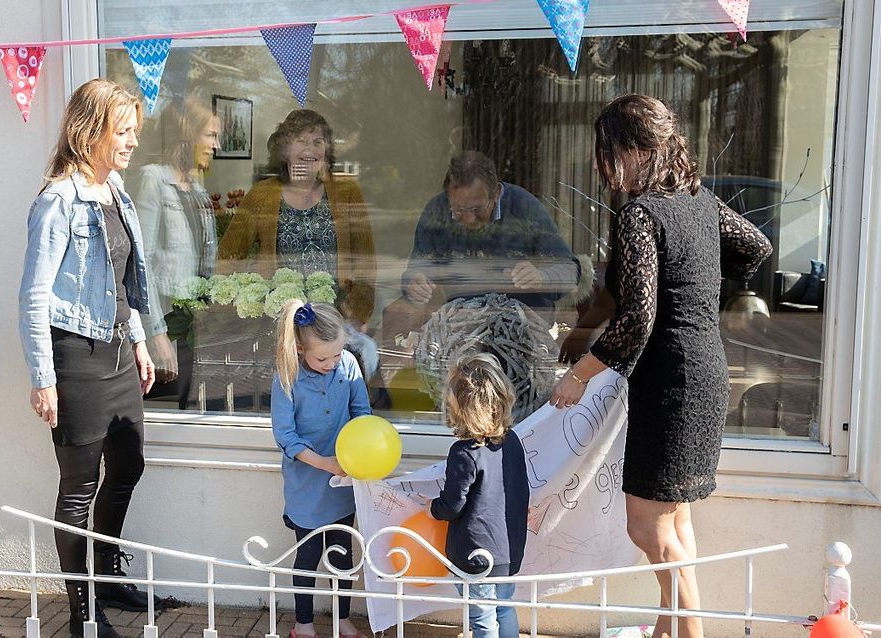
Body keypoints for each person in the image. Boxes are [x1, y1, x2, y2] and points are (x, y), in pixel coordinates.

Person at [548, 94, 772, 638]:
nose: (607, 168)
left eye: (609, 154)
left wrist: (577, 376)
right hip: (705, 370)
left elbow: (638, 320)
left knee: (647, 528)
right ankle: (665, 629)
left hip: (671, 381)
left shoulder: (640, 215)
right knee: (677, 522)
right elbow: (757, 247)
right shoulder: (699, 201)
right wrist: (703, 281)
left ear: (633, 149)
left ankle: (690, 633)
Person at [18, 78, 159, 638]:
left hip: (119, 349)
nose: (130, 142)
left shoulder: (116, 191)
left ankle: (105, 575)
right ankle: (82, 612)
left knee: (129, 465)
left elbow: (121, 282)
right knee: (79, 486)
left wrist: (142, 340)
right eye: (122, 131)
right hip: (75, 356)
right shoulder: (56, 201)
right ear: (90, 131)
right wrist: (43, 377)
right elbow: (34, 295)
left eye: (133, 132)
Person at [217, 109, 378, 375]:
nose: (311, 148)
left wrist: (357, 315)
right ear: (284, 149)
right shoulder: (262, 195)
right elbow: (228, 257)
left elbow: (366, 261)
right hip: (282, 323)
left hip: (335, 321)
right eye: (301, 140)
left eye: (318, 141)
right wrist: (249, 302)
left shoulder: (346, 191)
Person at [270, 300, 371, 638]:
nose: (331, 364)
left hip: (344, 481)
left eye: (337, 355)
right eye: (322, 358)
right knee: (309, 556)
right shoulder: (287, 376)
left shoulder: (349, 366)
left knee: (343, 554)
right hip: (307, 483)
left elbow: (363, 413)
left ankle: (341, 618)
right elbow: (285, 436)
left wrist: (365, 454)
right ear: (300, 348)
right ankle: (304, 624)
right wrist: (323, 462)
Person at [401, 151, 579, 312]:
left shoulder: (524, 206)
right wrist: (414, 284)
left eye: (477, 209)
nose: (469, 219)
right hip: (460, 322)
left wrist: (541, 277)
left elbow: (570, 270)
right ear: (449, 196)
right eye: (459, 210)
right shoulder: (437, 210)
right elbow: (416, 270)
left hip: (522, 321)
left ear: (496, 194)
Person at [429, 353, 529, 638]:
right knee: (504, 607)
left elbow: (452, 505)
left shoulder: (463, 453)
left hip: (475, 554)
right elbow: (522, 488)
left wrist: (431, 508)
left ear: (459, 409)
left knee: (482, 617)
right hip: (508, 550)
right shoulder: (513, 442)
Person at [134, 98, 220, 405]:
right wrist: (157, 335)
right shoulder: (154, 180)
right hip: (166, 321)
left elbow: (204, 263)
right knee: (165, 412)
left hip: (193, 323)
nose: (216, 145)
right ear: (188, 135)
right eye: (210, 135)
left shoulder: (197, 189)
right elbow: (139, 263)